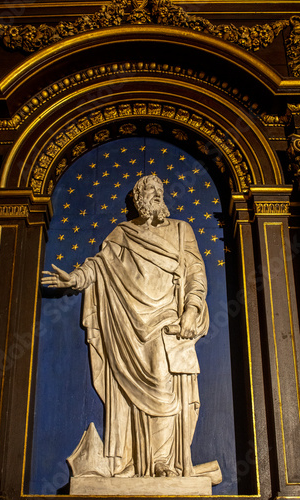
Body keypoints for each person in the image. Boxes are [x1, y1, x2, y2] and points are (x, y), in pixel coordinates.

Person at [41, 175, 210, 479]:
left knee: (163, 385)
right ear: (138, 200)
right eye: (151, 192)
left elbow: (195, 273)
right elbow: (100, 265)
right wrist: (75, 279)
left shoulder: (182, 230)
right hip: (129, 324)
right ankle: (135, 461)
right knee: (131, 396)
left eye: (161, 191)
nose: (157, 196)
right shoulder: (123, 234)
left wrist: (192, 309)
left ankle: (161, 461)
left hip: (167, 322)